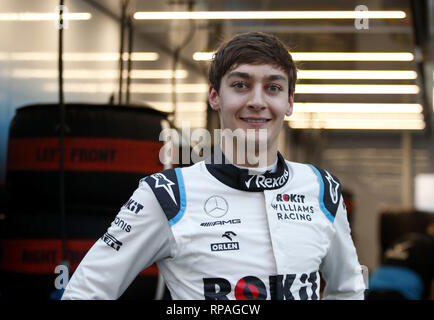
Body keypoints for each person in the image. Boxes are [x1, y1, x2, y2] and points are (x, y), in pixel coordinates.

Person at [62, 32, 365, 300]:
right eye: (241, 85)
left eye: (273, 88)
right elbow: (86, 291)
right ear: (215, 96)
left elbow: (348, 289)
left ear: (289, 102)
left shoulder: (322, 188)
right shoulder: (167, 195)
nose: (257, 101)